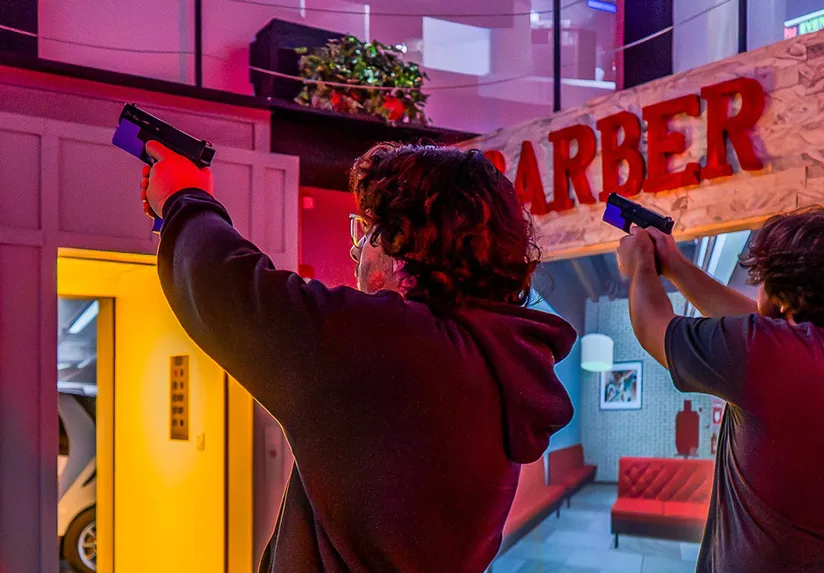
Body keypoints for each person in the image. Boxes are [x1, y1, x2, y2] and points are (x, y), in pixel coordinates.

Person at [140, 140, 576, 572]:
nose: (355, 250)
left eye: (369, 233)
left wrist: (185, 197)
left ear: (408, 253)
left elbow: (229, 290)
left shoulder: (402, 349)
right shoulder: (494, 359)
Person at [616, 208, 824, 573]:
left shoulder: (775, 356)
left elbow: (652, 326)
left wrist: (641, 267)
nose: (759, 292)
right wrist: (675, 265)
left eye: (764, 282)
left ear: (784, 294)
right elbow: (768, 333)